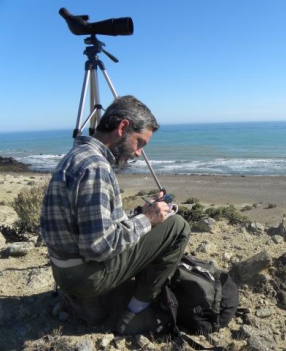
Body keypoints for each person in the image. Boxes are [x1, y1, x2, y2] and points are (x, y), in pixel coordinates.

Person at [40, 95, 191, 334]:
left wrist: (142, 212)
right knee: (178, 226)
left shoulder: (76, 156)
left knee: (152, 222)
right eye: (140, 143)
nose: (139, 153)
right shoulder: (96, 168)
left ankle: (92, 300)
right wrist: (149, 219)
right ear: (123, 127)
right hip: (85, 276)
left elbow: (94, 225)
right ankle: (135, 311)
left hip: (64, 270)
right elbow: (98, 247)